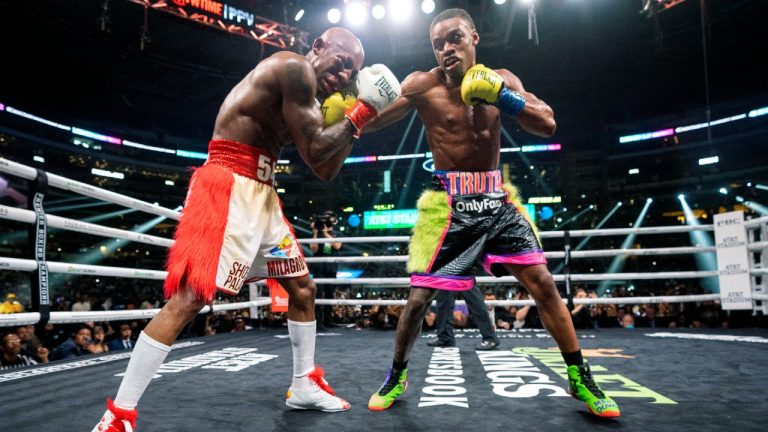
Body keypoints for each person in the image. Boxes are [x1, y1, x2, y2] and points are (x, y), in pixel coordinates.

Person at [92, 27, 401, 431]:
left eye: (352, 72)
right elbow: (316, 150)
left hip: (261, 191)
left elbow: (324, 169)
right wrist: (362, 111)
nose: (343, 75)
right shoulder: (293, 69)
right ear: (318, 47)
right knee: (191, 298)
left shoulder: (307, 97)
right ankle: (117, 417)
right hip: (229, 183)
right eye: (342, 62)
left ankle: (304, 383)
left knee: (302, 289)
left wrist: (361, 115)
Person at [362, 8, 620, 418]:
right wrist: (351, 110)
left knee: (544, 284)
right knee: (418, 299)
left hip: (495, 200)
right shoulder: (421, 85)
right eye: (437, 43)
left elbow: (548, 124)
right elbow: (371, 122)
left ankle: (579, 376)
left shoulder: (503, 78)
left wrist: (504, 96)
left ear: (474, 38)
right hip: (448, 205)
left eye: (454, 38)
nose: (446, 48)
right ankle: (397, 375)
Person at [427, 285, 500, 350]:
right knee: (444, 293)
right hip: (445, 271)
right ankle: (445, 337)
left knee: (471, 294)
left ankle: (490, 337)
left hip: (460, 270)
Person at [309, 210, 342, 330]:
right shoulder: (316, 233)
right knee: (318, 295)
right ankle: (318, 322)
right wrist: (317, 233)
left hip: (331, 268)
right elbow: (314, 249)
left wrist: (326, 233)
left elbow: (337, 246)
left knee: (330, 295)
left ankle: (328, 320)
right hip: (319, 267)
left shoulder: (335, 233)